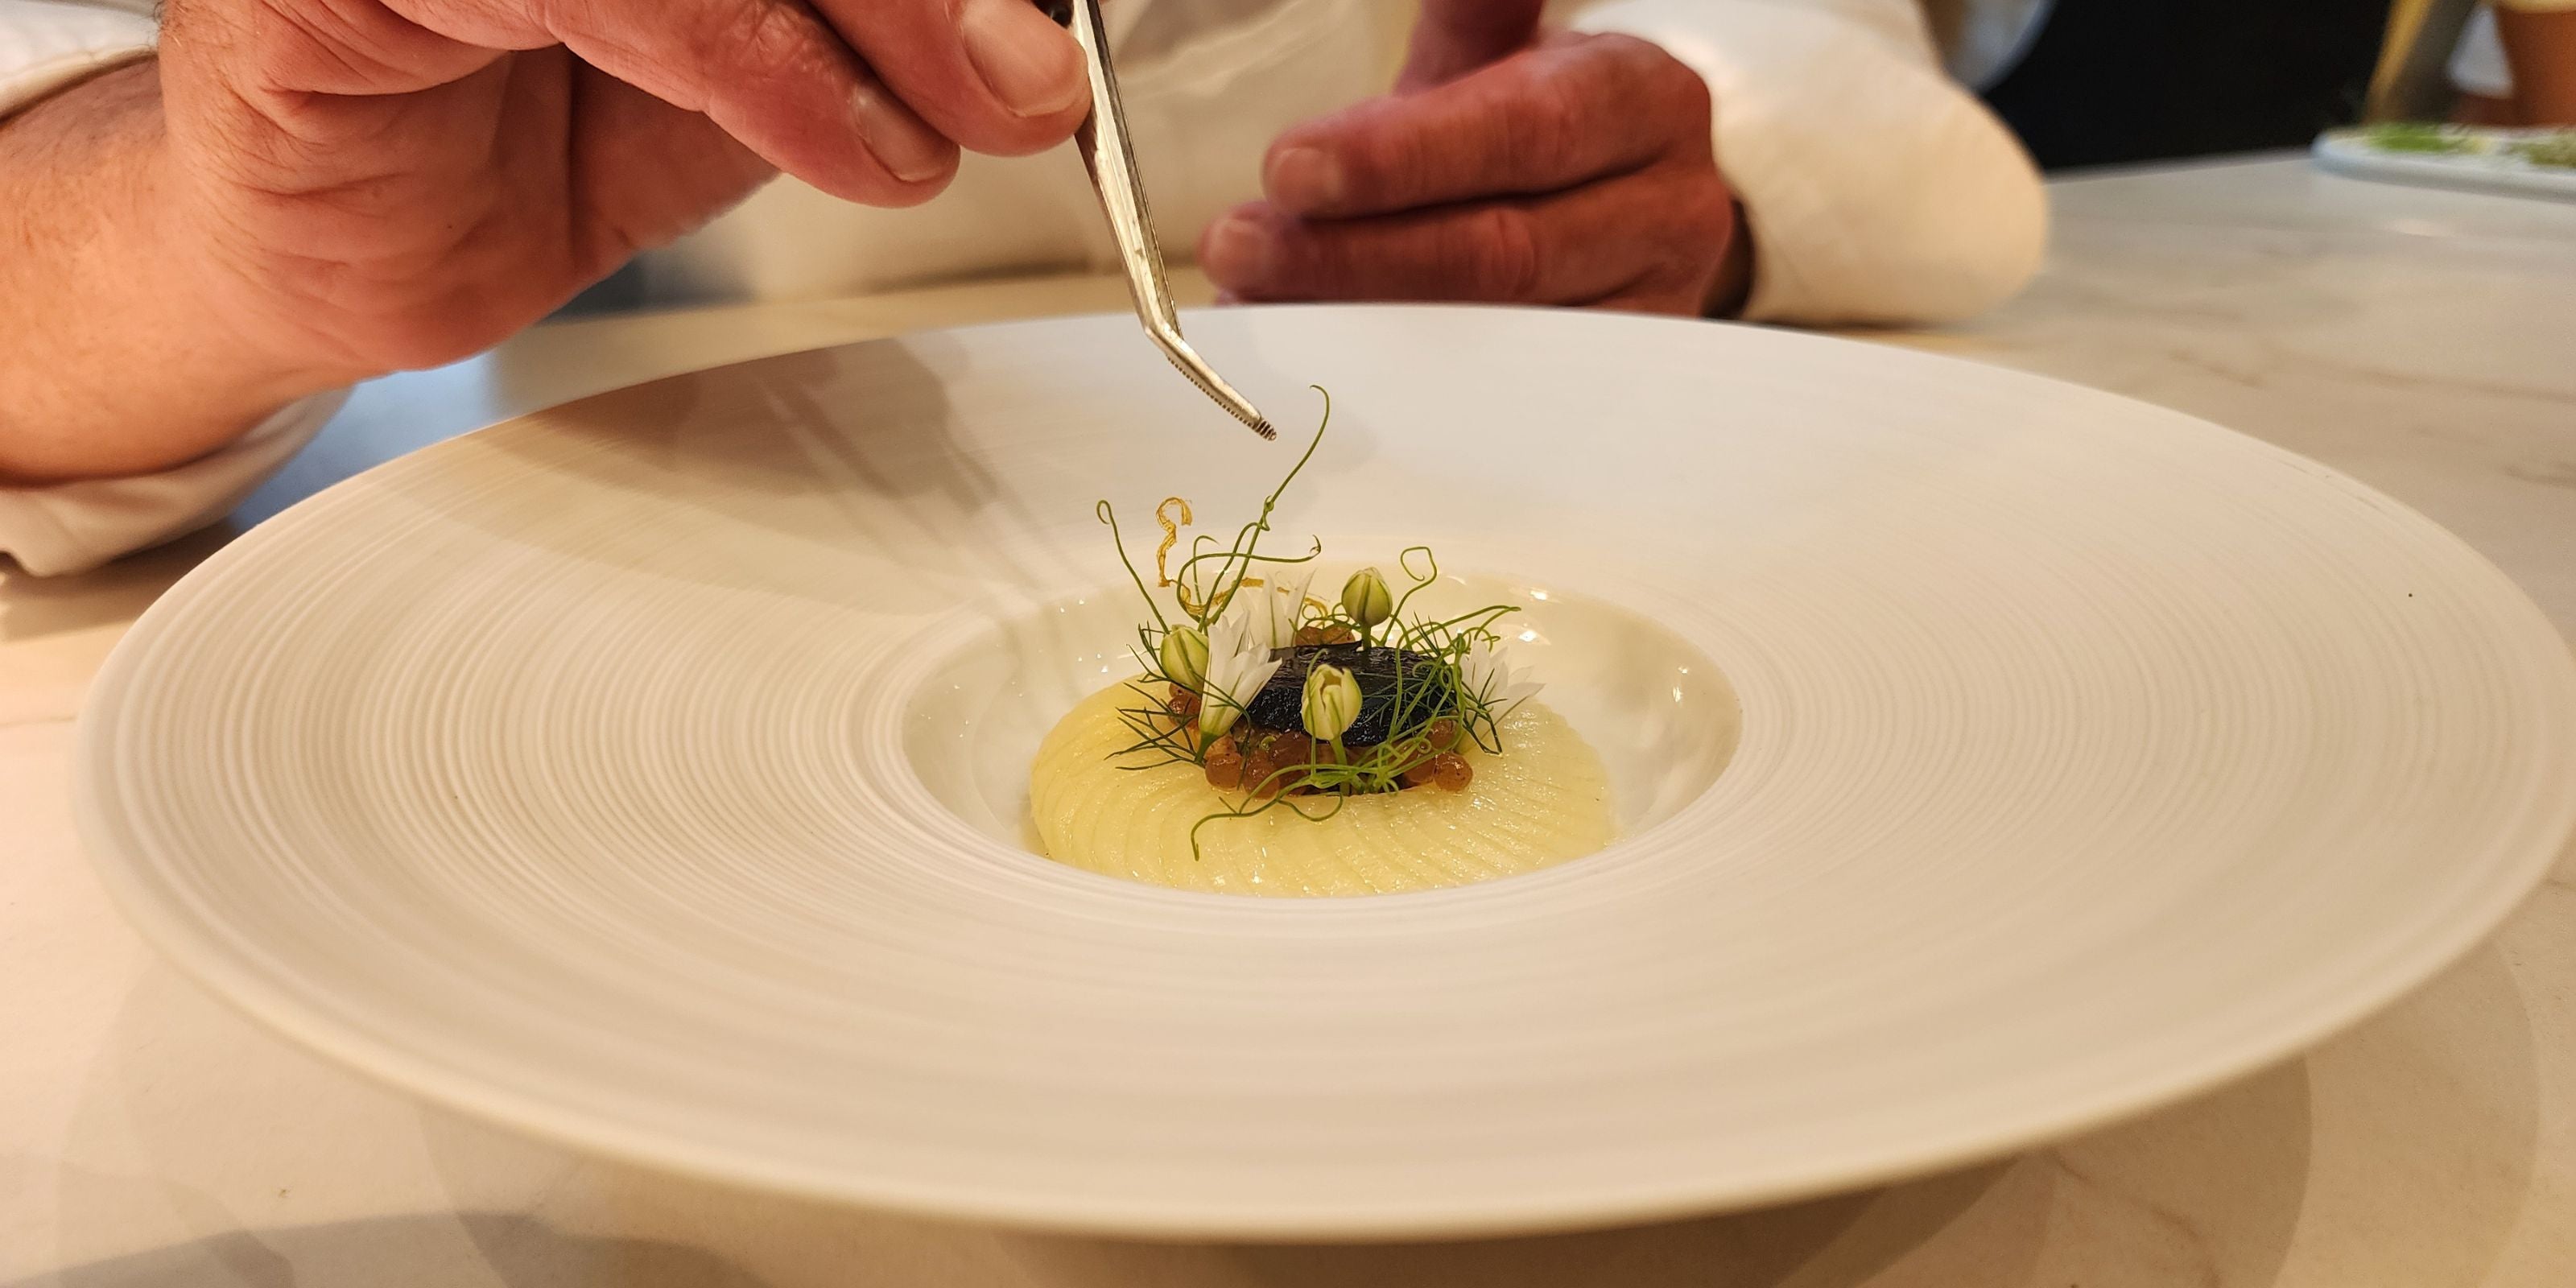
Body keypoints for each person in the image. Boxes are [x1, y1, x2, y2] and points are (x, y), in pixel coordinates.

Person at [0, 0, 2050, 576]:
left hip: (1572, 493)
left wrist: (1702, 154)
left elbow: (1862, 86)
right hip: (693, 590)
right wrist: (214, 233)